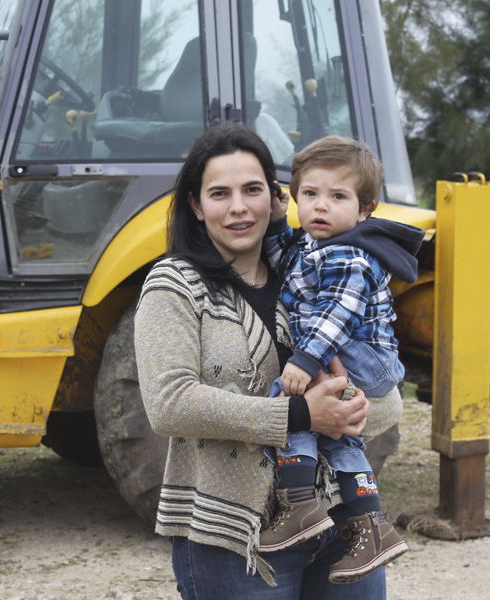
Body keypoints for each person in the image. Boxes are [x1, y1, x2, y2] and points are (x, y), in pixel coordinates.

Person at [134, 122, 393, 599]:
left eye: (252, 190)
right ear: (196, 204)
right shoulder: (174, 285)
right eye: (219, 193)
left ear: (273, 198)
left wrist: (351, 408)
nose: (238, 207)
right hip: (233, 538)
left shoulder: (313, 269)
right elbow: (170, 405)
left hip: (342, 527)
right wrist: (302, 415)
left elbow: (388, 399)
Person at [258, 136, 424, 583]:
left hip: (368, 357)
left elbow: (337, 313)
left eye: (337, 197)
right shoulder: (315, 246)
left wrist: (306, 361)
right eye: (309, 195)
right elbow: (285, 264)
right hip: (355, 358)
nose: (321, 207)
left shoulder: (350, 254)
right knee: (339, 436)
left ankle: (299, 504)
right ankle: (372, 528)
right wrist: (276, 221)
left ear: (365, 208)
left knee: (290, 396)